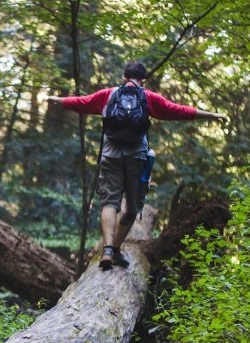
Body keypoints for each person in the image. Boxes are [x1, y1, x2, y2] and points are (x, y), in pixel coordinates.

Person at [47, 62, 227, 270]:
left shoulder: (109, 94)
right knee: (132, 209)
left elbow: (81, 102)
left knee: (110, 203)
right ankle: (115, 249)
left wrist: (58, 100)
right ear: (143, 80)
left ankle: (106, 249)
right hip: (136, 157)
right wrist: (211, 115)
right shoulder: (148, 98)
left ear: (124, 77)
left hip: (110, 154)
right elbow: (178, 111)